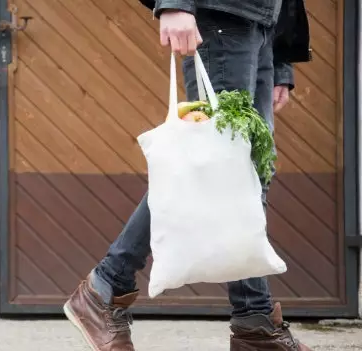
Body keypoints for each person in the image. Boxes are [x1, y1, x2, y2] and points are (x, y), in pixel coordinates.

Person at [63, 0, 313, 350]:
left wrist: (281, 55)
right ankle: (106, 287)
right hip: (222, 16)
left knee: (244, 176)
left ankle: (254, 322)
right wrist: (174, 3)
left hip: (260, 25)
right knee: (217, 168)